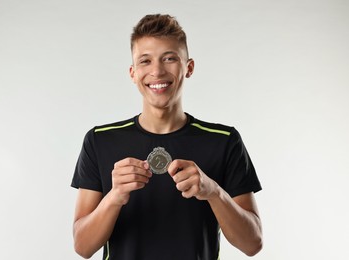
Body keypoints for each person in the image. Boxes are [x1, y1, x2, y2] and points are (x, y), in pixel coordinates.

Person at [71, 14, 263, 260]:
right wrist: (114, 197)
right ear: (133, 72)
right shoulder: (100, 140)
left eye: (169, 58)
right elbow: (82, 247)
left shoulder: (224, 140)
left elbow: (253, 244)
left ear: (188, 67)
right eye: (145, 61)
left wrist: (214, 192)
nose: (157, 71)